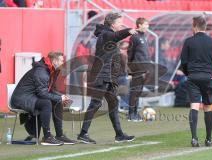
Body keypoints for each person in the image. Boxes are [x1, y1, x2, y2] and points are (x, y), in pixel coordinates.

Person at [77, 12, 137, 144]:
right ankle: (83, 134)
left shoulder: (107, 34)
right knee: (95, 104)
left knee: (113, 104)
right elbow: (116, 36)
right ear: (112, 23)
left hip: (107, 76)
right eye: (120, 22)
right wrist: (129, 31)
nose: (122, 24)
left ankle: (119, 135)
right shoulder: (106, 34)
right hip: (101, 76)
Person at [11, 52, 76, 146]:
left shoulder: (50, 70)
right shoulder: (41, 71)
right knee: (46, 103)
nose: (63, 62)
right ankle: (47, 137)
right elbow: (42, 93)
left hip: (31, 97)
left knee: (57, 101)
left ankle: (60, 135)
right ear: (54, 61)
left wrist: (61, 97)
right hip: (21, 99)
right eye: (62, 60)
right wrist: (59, 97)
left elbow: (49, 90)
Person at [180, 15, 212, 147]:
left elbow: (183, 63)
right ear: (205, 27)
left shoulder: (188, 41)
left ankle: (194, 139)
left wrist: (189, 74)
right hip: (208, 78)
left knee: (194, 106)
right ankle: (208, 139)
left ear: (195, 27)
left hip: (193, 77)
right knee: (207, 107)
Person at [127, 17, 151, 121]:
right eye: (145, 24)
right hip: (137, 67)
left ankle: (135, 113)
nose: (147, 26)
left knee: (138, 91)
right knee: (134, 91)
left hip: (144, 68)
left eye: (147, 24)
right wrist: (131, 67)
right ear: (139, 25)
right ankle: (131, 114)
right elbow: (130, 53)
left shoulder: (143, 36)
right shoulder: (134, 37)